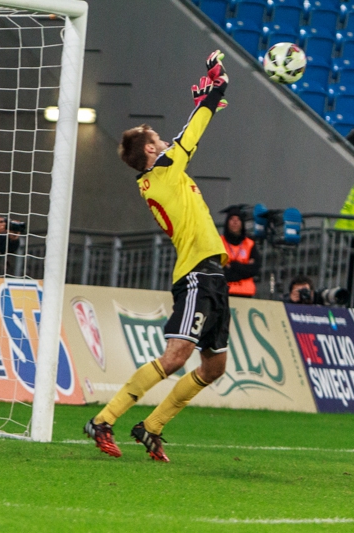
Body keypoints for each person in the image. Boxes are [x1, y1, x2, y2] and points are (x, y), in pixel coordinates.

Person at [83, 50, 231, 463]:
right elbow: (190, 135)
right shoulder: (162, 171)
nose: (164, 142)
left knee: (214, 367)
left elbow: (192, 129)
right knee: (176, 357)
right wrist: (214, 87)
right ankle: (104, 419)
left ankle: (151, 427)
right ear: (150, 151)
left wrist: (209, 103)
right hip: (196, 274)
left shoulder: (166, 175)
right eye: (157, 140)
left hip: (214, 275)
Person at [220, 206, 260, 298]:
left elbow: (254, 269)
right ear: (227, 222)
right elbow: (220, 270)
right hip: (225, 293)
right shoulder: (220, 242)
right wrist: (244, 268)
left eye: (238, 219)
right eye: (232, 219)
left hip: (246, 294)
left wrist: (233, 266)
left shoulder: (249, 244)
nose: (235, 222)